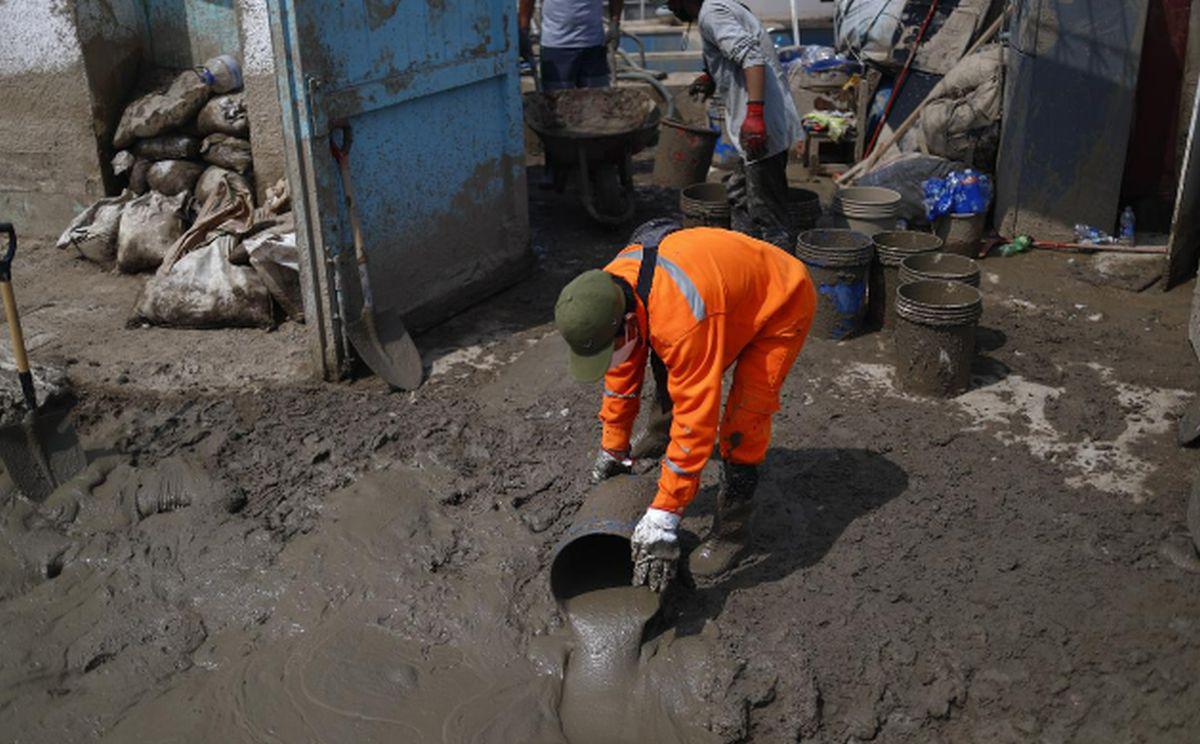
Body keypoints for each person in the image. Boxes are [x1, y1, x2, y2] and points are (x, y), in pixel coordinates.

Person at [553, 219, 816, 592]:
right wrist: (613, 447)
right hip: (715, 290)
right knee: (663, 363)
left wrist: (665, 514)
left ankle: (732, 532)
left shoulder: (682, 324)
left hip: (780, 298)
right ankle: (661, 442)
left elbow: (697, 420)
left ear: (625, 324)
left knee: (744, 422)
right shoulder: (608, 292)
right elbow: (622, 376)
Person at [668, 0, 803, 251]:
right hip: (761, 123)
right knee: (739, 196)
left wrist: (754, 114)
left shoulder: (712, 14)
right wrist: (711, 77)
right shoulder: (722, 6)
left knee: (768, 214)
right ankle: (744, 257)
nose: (669, 6)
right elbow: (735, 52)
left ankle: (781, 272)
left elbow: (752, 58)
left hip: (760, 124)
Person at [519, 0, 624, 90]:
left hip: (593, 45)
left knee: (598, 102)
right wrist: (523, 31)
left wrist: (615, 23)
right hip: (556, 47)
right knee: (556, 104)